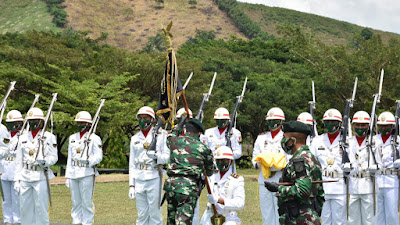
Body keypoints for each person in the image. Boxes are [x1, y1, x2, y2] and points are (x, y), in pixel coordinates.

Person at [265, 121, 324, 225]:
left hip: (299, 219)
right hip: (309, 216)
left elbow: (302, 191)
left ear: (292, 140)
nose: (282, 141)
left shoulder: (299, 161)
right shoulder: (312, 158)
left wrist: (278, 188)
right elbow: (320, 194)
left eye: (284, 137)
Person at [164, 118, 214, 225]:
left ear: (186, 129)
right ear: (199, 132)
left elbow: (170, 135)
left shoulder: (175, 142)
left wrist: (180, 123)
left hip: (171, 186)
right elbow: (210, 171)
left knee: (171, 221)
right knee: (183, 221)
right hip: (188, 188)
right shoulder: (204, 149)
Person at [14, 107, 58, 225]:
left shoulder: (49, 137)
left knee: (41, 208)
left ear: (41, 121)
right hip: (25, 176)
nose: (33, 122)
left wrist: (45, 161)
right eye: (31, 120)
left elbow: (54, 157)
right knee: (25, 208)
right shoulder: (22, 137)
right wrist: (16, 180)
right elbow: (19, 161)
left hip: (40, 176)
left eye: (36, 120)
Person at [128, 106, 170, 225]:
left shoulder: (161, 135)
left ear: (152, 119)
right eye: (140, 118)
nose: (142, 120)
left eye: (145, 118)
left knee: (155, 214)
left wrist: (157, 157)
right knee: (141, 214)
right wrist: (131, 184)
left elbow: (167, 156)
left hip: (154, 177)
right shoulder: (135, 138)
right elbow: (132, 164)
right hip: (139, 178)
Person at [65, 111, 103, 225]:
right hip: (73, 173)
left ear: (88, 124)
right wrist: (67, 176)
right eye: (78, 122)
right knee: (75, 202)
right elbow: (69, 159)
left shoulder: (94, 138)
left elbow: (98, 156)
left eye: (82, 122)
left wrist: (88, 161)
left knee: (86, 202)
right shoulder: (72, 138)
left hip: (86, 172)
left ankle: (87, 222)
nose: (80, 124)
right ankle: (76, 222)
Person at [310, 108, 346, 225]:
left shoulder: (346, 141)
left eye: (333, 121)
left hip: (340, 186)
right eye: (328, 122)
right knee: (325, 220)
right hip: (323, 186)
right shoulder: (317, 141)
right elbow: (311, 162)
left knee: (339, 221)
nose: (330, 124)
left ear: (340, 124)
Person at [252, 107, 286, 225]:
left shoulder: (286, 137)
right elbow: (254, 158)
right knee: (266, 213)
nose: (272, 123)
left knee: (279, 212)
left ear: (281, 121)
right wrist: (260, 162)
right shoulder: (261, 138)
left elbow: (288, 158)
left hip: (280, 179)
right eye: (270, 120)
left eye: (275, 120)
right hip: (264, 179)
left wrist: (276, 163)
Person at [200, 146, 245, 225]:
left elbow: (240, 203)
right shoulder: (211, 176)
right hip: (210, 215)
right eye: (218, 160)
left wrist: (220, 200)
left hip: (228, 217)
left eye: (223, 160)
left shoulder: (237, 179)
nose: (220, 162)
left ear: (230, 162)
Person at [346, 111, 375, 225]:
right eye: (357, 124)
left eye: (363, 125)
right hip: (352, 184)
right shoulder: (347, 142)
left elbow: (379, 162)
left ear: (368, 126)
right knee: (352, 219)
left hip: (368, 184)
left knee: (369, 218)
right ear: (353, 125)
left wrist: (375, 168)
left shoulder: (374, 142)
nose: (360, 127)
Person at [374, 111, 399, 225]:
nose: (383, 128)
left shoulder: (398, 140)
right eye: (381, 126)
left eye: (386, 126)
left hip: (392, 180)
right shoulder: (373, 140)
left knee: (391, 213)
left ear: (392, 126)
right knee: (378, 213)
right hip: (377, 180)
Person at [2, 110, 23, 224]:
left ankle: (17, 220)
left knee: (16, 199)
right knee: (5, 199)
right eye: (10, 122)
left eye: (15, 122)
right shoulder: (3, 135)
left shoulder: (23, 136)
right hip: (4, 170)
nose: (12, 124)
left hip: (16, 170)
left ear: (20, 123)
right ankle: (7, 220)